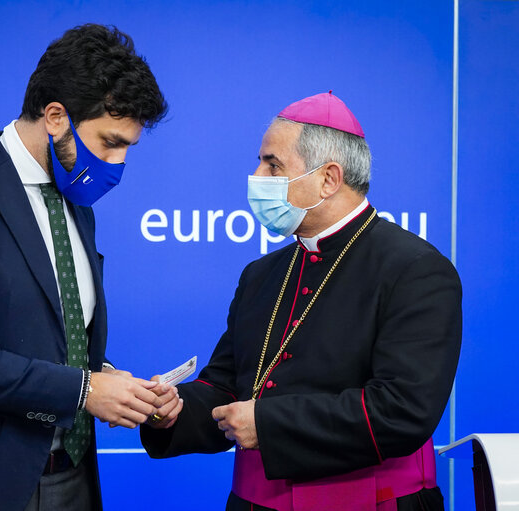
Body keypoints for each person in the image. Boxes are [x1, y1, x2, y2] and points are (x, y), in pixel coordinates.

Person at [0, 24, 173, 511]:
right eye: (109, 142)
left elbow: (45, 336)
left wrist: (116, 387)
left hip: (74, 476)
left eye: (127, 147)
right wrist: (85, 389)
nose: (118, 163)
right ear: (56, 116)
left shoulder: (77, 203)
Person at [141, 92, 462, 511]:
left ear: (328, 178)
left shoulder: (415, 269)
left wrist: (268, 424)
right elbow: (224, 385)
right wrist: (173, 410)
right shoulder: (261, 274)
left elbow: (402, 410)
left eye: (273, 164)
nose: (257, 175)